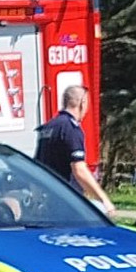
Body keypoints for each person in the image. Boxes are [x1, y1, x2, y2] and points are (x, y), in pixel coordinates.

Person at [35, 85, 116, 217]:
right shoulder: (71, 129)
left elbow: (37, 165)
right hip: (67, 201)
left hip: (48, 200)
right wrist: (104, 200)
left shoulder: (48, 127)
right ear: (82, 103)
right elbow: (79, 169)